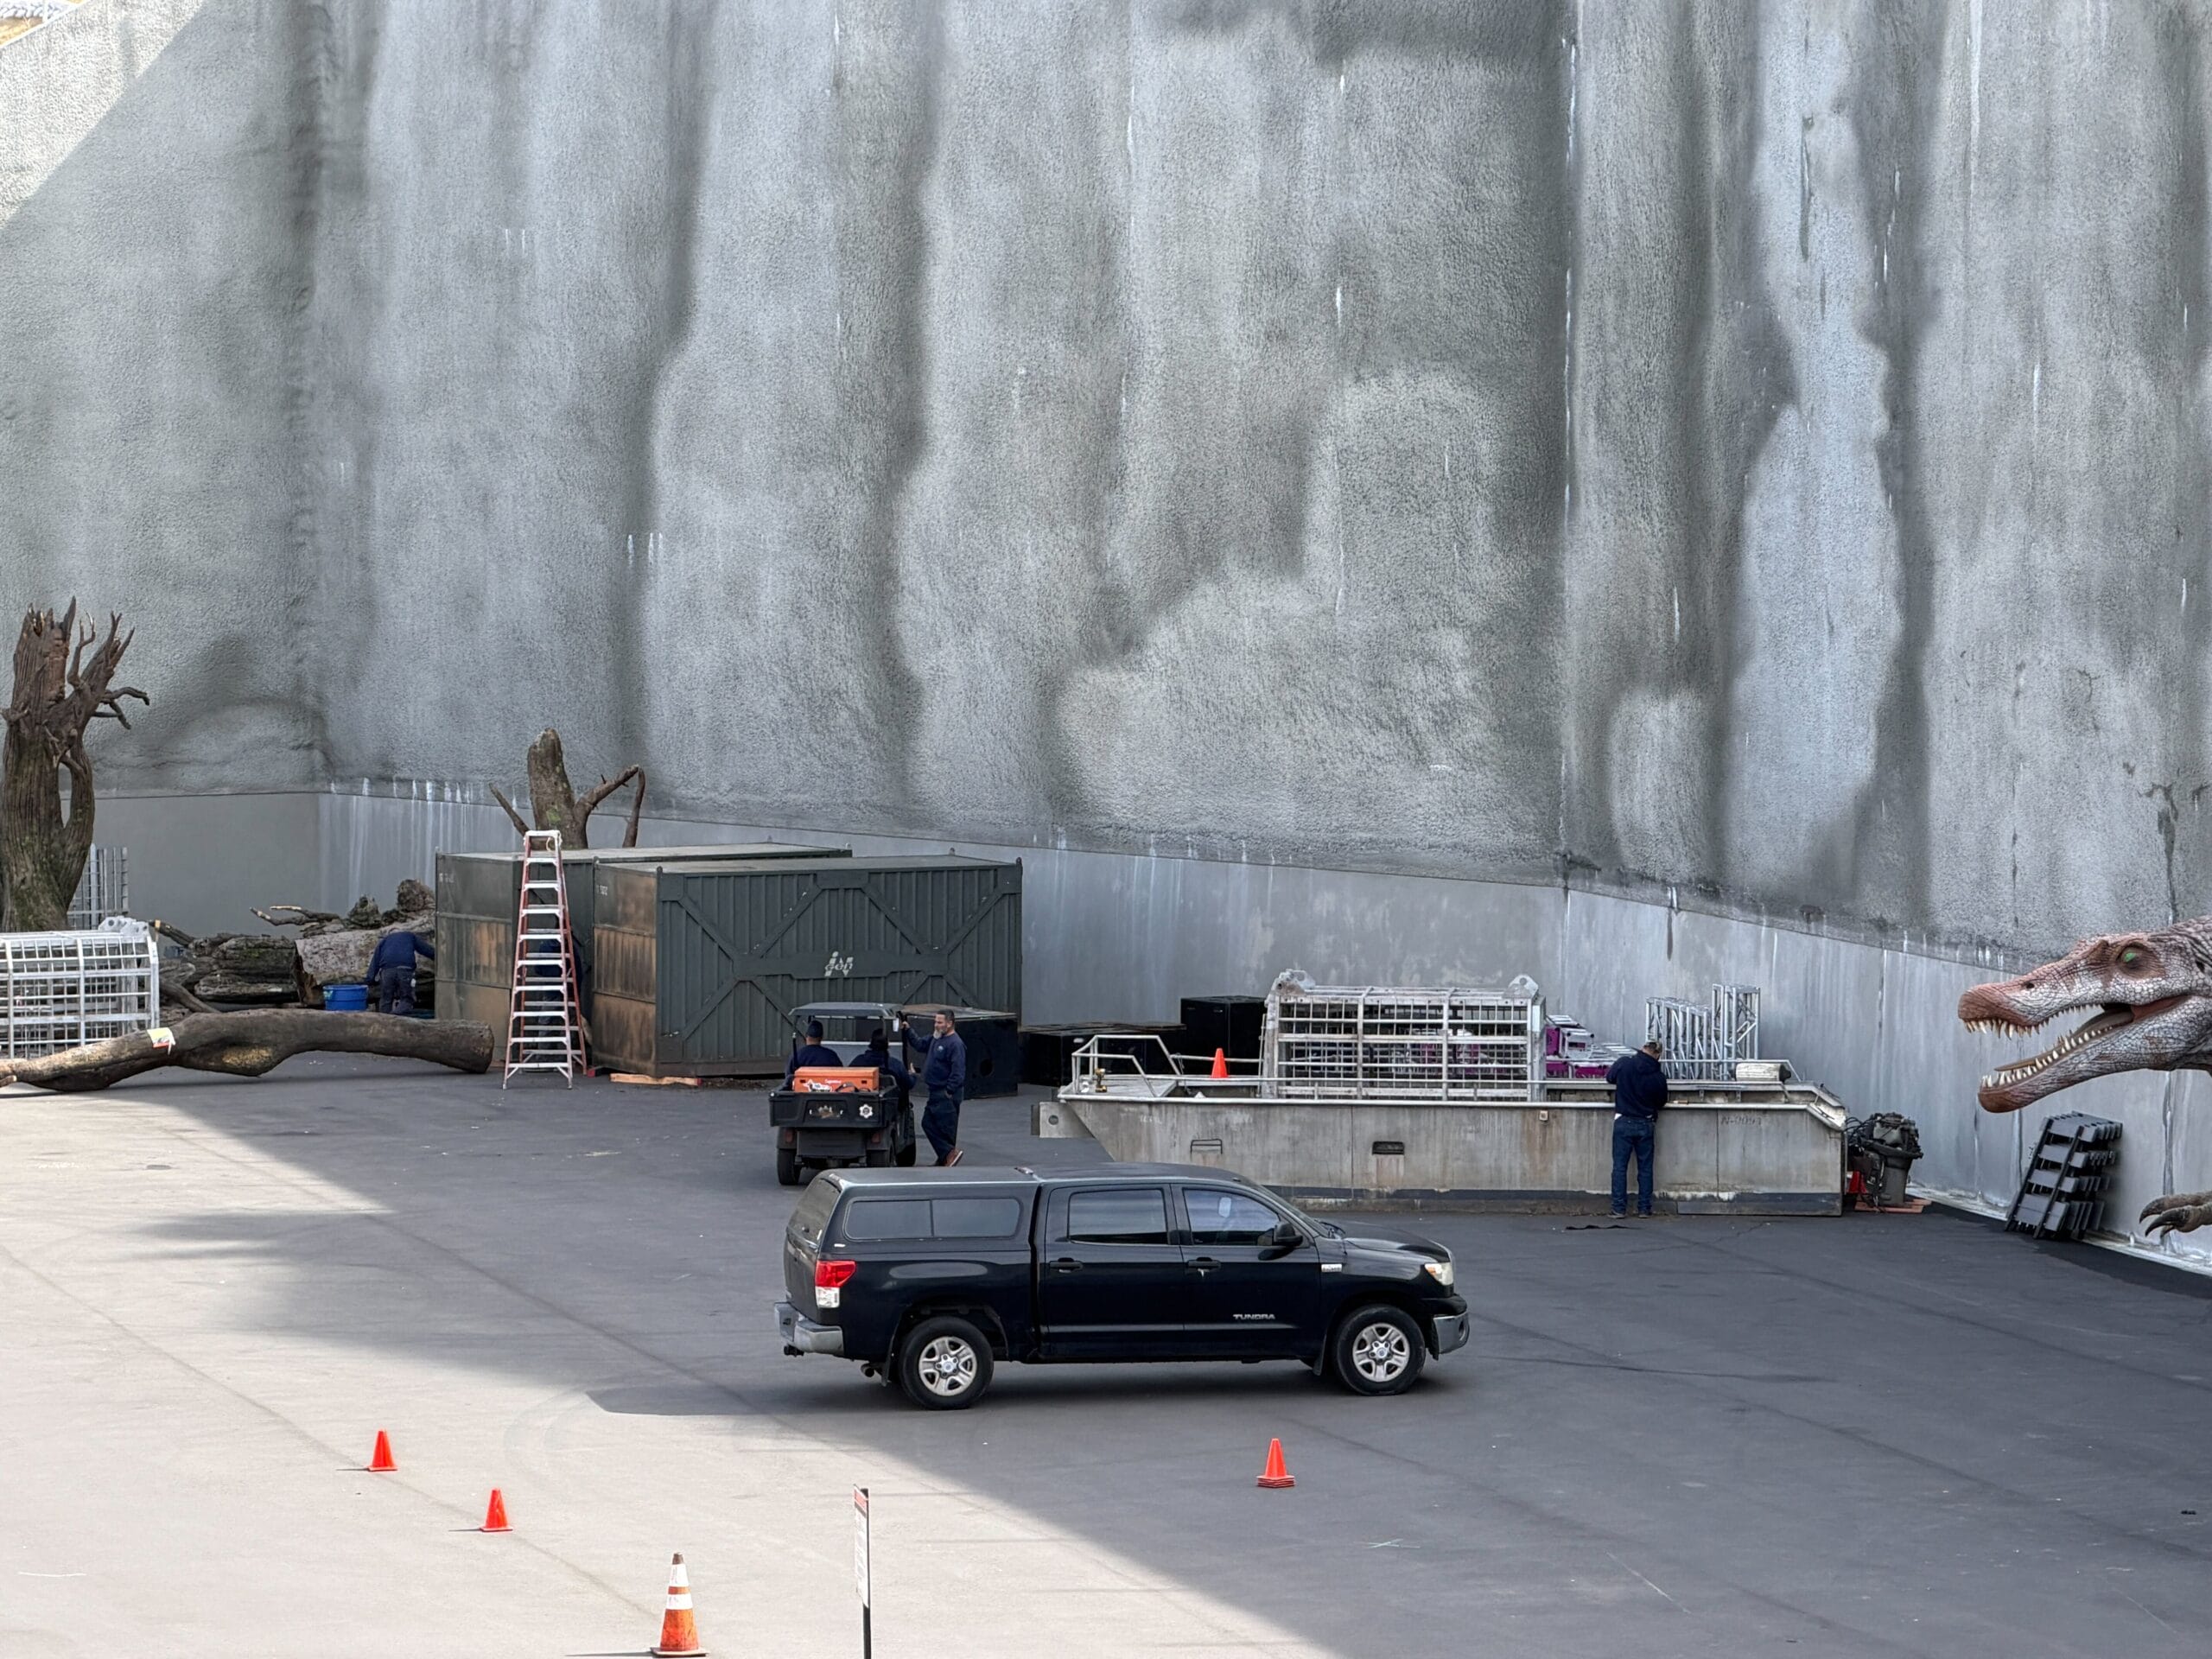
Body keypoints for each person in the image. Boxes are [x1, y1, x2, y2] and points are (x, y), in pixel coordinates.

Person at [1605, 1040, 1669, 1217]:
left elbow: (1609, 1077)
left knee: (1619, 1167)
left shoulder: (1625, 1063)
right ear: (1657, 1055)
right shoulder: (1658, 1077)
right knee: (1645, 1168)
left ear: (1643, 1049)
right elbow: (1661, 1102)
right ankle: (1644, 1209)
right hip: (1646, 1123)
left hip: (1623, 1121)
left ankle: (1618, 1209)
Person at [904, 1008, 968, 1166]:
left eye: (939, 1022)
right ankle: (946, 1155)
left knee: (945, 1126)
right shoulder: (936, 1038)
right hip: (935, 1091)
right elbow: (920, 1044)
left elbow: (958, 1071)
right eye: (935, 1022)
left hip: (946, 1093)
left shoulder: (955, 1044)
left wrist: (949, 1091)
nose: (936, 1025)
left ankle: (948, 1155)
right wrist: (908, 1030)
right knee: (929, 1124)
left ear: (950, 1023)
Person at [364, 929, 435, 1015]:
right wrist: (438, 957)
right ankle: (396, 1017)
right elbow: (426, 950)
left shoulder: (384, 940)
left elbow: (375, 962)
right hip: (405, 970)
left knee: (386, 1000)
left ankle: (385, 1021)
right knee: (407, 999)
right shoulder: (409, 936)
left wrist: (370, 980)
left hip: (387, 971)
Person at [785, 1018, 843, 1084]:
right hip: (828, 1090)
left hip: (802, 1091)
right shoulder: (831, 1056)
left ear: (806, 1036)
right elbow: (840, 1076)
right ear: (821, 1037)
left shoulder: (797, 1055)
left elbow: (789, 1077)